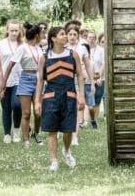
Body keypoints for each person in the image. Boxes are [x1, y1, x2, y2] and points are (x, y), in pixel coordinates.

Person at [35, 26, 85, 171]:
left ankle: (66, 151)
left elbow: (80, 75)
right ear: (53, 38)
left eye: (65, 34)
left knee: (68, 129)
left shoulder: (73, 54)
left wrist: (81, 96)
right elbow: (40, 80)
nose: (66, 37)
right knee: (52, 130)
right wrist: (38, 101)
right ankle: (54, 161)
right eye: (62, 34)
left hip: (69, 95)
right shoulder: (44, 57)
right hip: (51, 96)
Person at [4, 22, 43, 147]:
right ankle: (26, 140)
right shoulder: (22, 48)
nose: (42, 36)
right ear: (37, 35)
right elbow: (11, 64)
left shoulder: (39, 48)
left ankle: (36, 133)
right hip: (25, 79)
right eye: (41, 34)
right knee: (26, 113)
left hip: (38, 80)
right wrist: (4, 82)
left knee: (38, 112)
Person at [0, 20, 23, 144]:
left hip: (19, 79)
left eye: (16, 30)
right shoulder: (0, 45)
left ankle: (16, 130)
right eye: (12, 30)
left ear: (20, 31)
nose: (14, 33)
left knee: (17, 105)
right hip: (3, 80)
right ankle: (7, 134)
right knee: (6, 108)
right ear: (7, 30)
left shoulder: (23, 45)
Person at [65, 24, 94, 145]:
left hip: (78, 80)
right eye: (70, 34)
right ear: (66, 35)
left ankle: (75, 136)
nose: (72, 37)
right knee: (65, 108)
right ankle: (64, 130)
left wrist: (92, 82)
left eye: (74, 35)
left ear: (78, 36)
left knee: (76, 108)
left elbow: (88, 66)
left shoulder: (82, 49)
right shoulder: (62, 47)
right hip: (64, 80)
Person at [87, 31, 104, 126]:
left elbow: (103, 64)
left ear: (95, 39)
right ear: (87, 38)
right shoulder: (84, 49)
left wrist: (99, 77)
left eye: (93, 37)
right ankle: (87, 120)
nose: (91, 39)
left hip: (99, 78)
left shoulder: (101, 50)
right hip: (87, 79)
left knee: (97, 99)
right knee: (89, 100)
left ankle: (95, 120)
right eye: (89, 37)